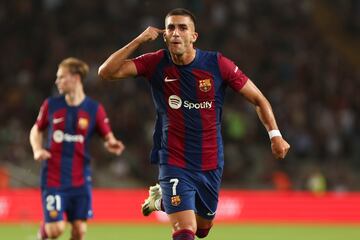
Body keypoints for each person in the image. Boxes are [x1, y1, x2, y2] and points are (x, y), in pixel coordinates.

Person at [98, 8, 290, 240]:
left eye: (182, 28)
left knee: (202, 231)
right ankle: (168, 196)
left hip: (210, 160)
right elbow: (106, 72)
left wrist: (275, 134)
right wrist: (139, 40)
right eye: (170, 28)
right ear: (165, 36)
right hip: (173, 159)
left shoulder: (217, 64)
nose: (176, 33)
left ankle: (161, 201)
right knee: (184, 232)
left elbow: (258, 99)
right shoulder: (155, 62)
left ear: (193, 36)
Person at [30, 57, 125, 240]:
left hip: (80, 180)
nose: (57, 81)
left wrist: (112, 142)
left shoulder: (93, 109)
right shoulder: (51, 105)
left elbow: (107, 135)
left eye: (61, 77)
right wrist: (37, 149)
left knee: (79, 231)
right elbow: (36, 129)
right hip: (54, 178)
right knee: (55, 230)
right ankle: (42, 233)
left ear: (75, 78)